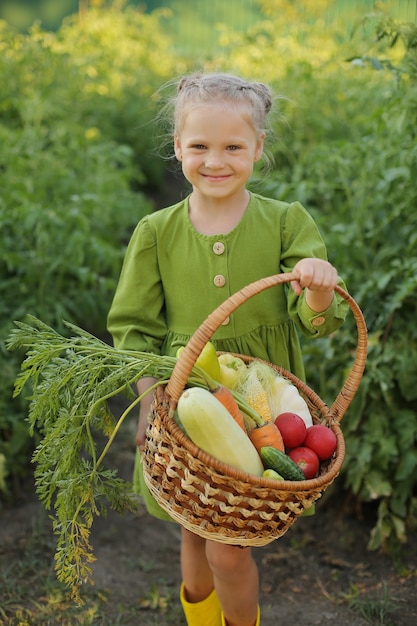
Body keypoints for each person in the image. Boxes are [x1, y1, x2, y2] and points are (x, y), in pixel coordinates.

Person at [107, 72, 348, 626]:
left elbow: (319, 325)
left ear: (259, 149)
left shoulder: (286, 223)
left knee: (227, 547)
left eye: (234, 147)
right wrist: (149, 401)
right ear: (177, 148)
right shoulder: (156, 232)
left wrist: (316, 288)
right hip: (185, 397)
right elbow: (133, 328)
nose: (216, 161)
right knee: (194, 531)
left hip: (257, 408)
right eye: (200, 146)